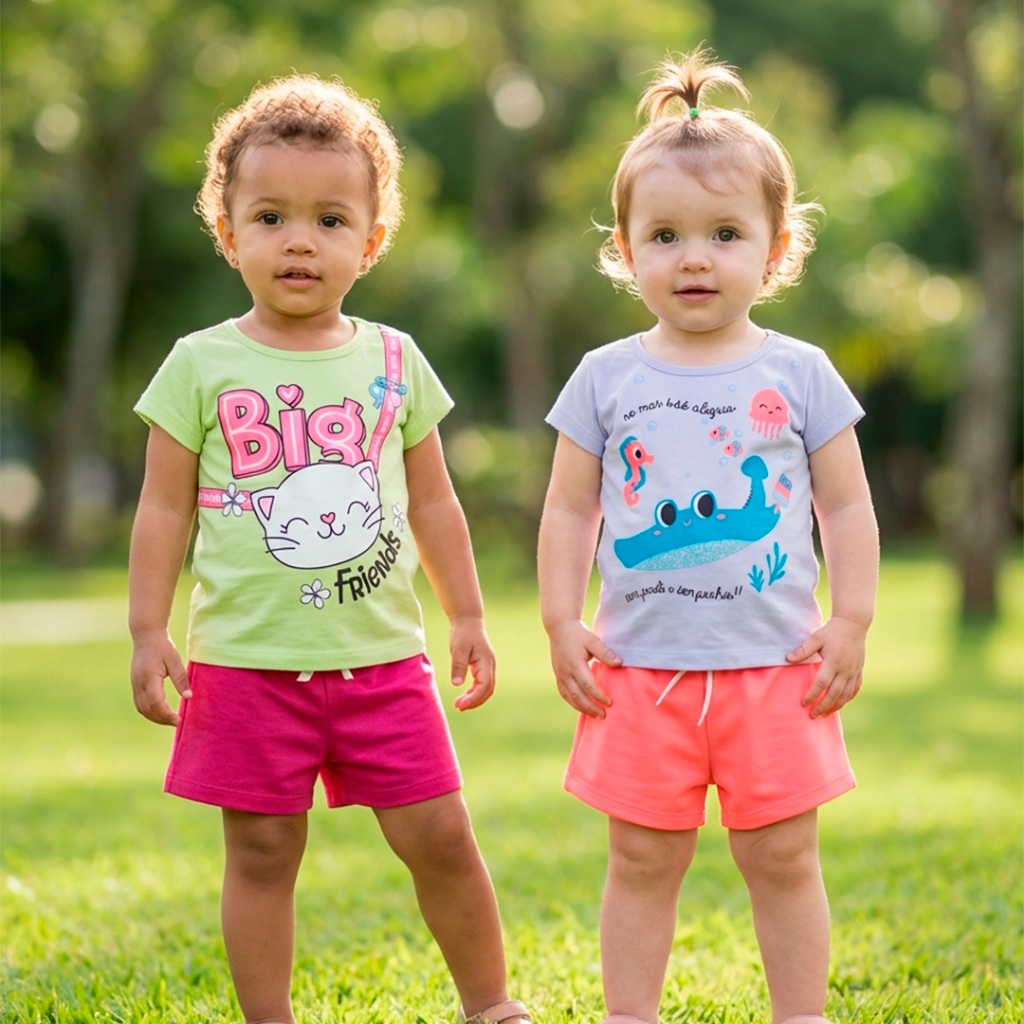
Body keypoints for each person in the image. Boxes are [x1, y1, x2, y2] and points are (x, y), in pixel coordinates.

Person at [128, 74, 530, 1024]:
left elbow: (434, 501)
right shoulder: (199, 364)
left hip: (382, 663)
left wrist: (468, 613)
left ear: (371, 241)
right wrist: (148, 630)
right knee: (263, 853)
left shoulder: (394, 361)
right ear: (228, 233)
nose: (299, 240)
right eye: (270, 217)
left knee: (441, 835)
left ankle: (491, 1005)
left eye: (329, 219)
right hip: (246, 665)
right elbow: (162, 509)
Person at [537, 49, 878, 1024]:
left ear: (776, 248)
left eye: (725, 234)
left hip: (776, 668)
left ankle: (800, 1013)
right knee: (641, 856)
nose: (694, 258)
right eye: (666, 235)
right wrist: (560, 621)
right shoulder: (605, 377)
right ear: (624, 248)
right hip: (640, 671)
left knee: (783, 853)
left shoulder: (801, 374)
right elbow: (568, 509)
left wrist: (851, 619)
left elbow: (846, 506)